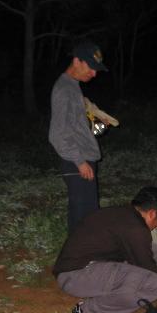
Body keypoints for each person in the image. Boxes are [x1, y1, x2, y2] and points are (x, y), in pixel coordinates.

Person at [52, 186, 157, 313]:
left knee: (154, 252)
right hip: (75, 276)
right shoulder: (135, 228)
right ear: (152, 213)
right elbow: (149, 271)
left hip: (81, 269)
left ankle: (120, 302)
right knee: (155, 283)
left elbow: (144, 262)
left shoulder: (123, 214)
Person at [49, 40, 107, 233]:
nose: (94, 74)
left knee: (86, 217)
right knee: (84, 220)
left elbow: (79, 131)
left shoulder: (73, 87)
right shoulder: (64, 89)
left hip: (83, 159)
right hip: (77, 163)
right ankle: (80, 251)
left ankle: (80, 250)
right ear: (76, 61)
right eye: (91, 68)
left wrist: (100, 126)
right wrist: (80, 162)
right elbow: (57, 134)